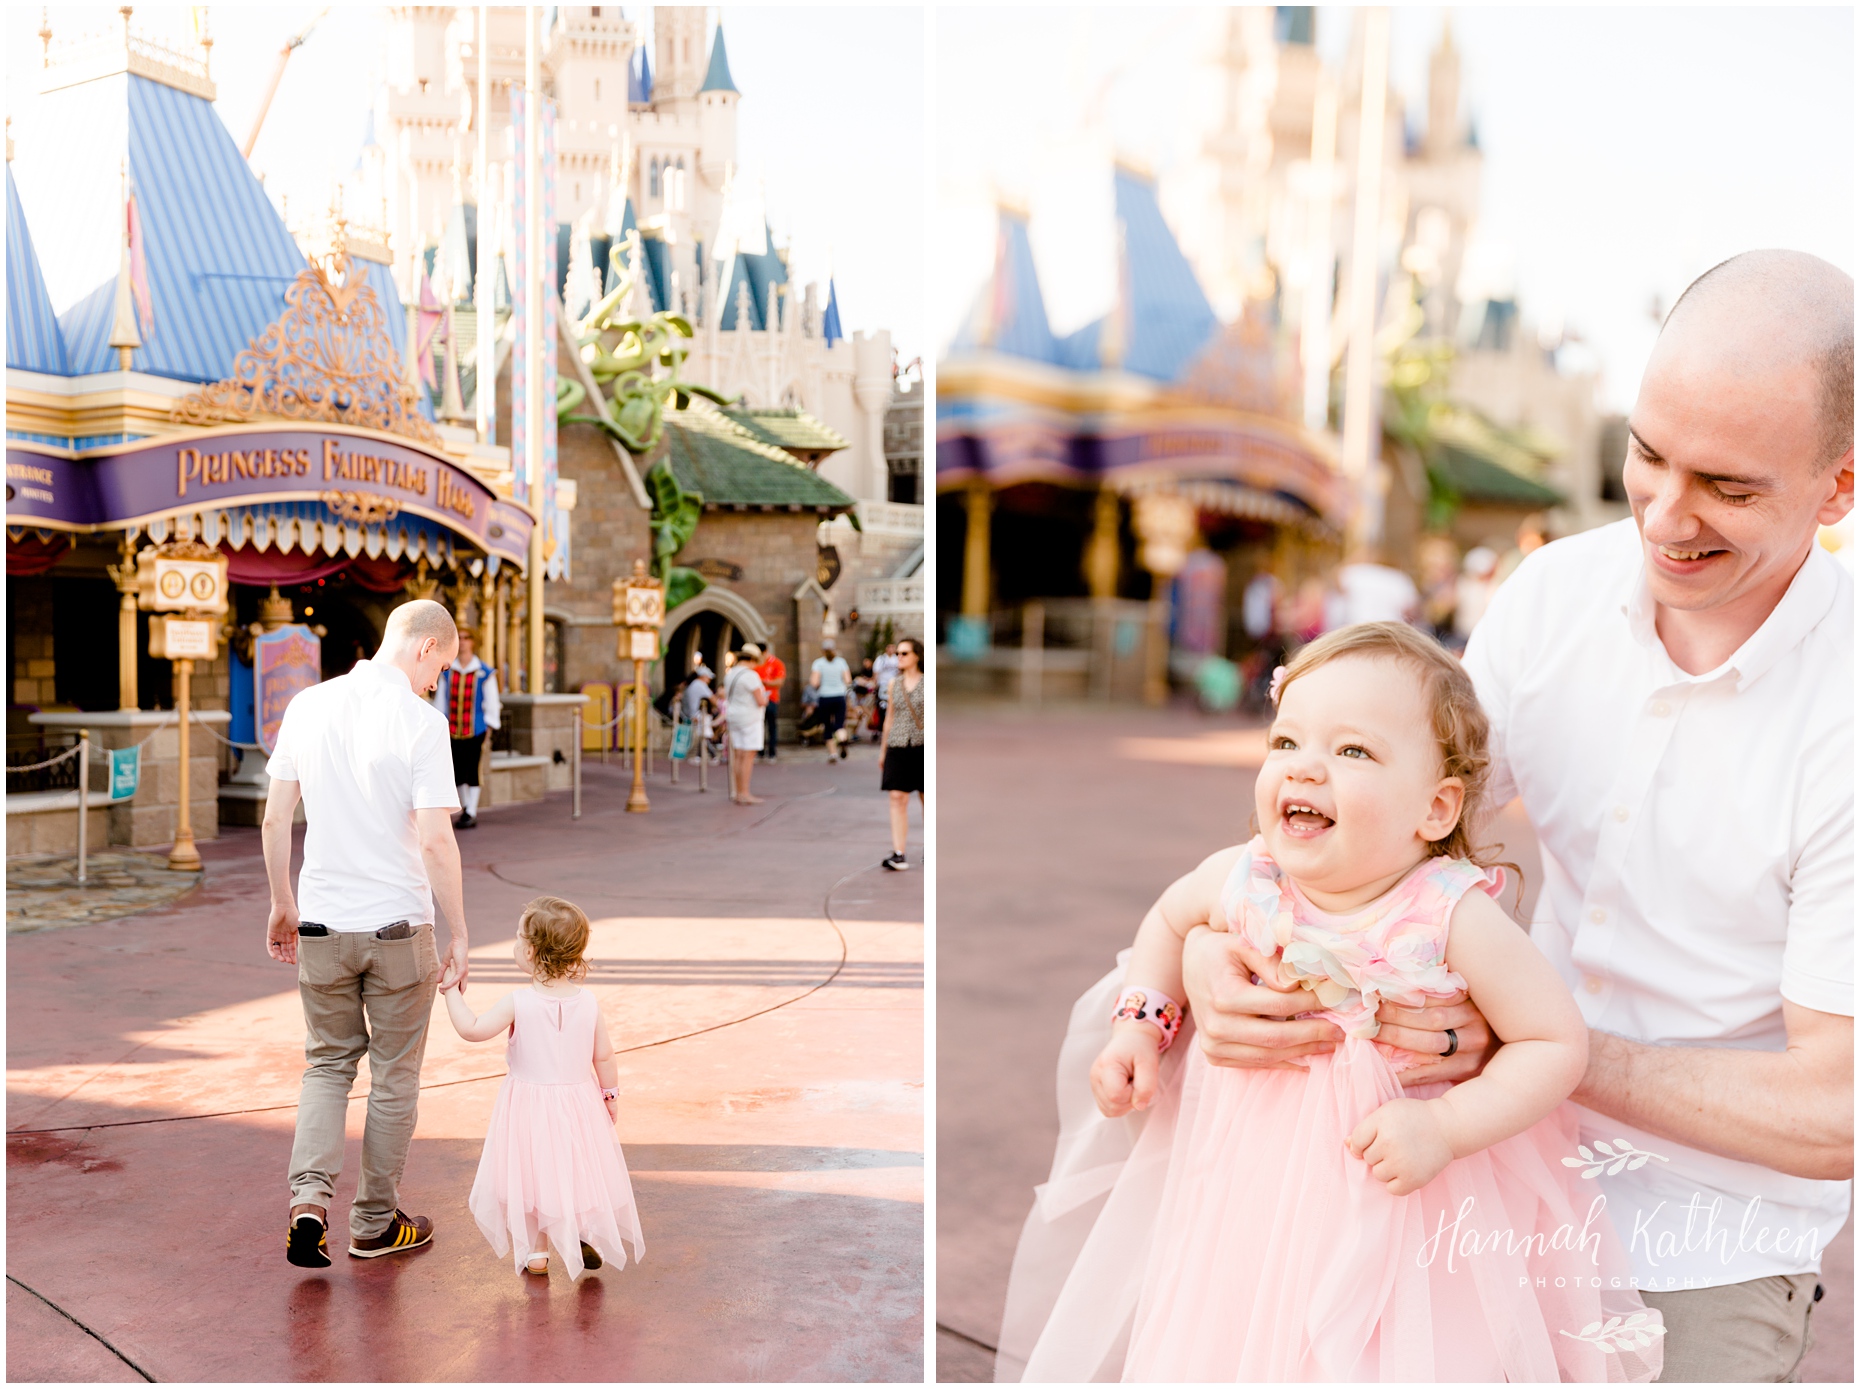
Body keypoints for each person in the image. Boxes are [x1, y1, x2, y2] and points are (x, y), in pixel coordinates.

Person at [1176, 250, 1854, 1382]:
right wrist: (1208, 954)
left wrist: (1540, 1049)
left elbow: (1836, 1110)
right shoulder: (1553, 595)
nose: (1668, 517)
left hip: (1705, 1225)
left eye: (1730, 488)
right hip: (1466, 1143)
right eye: (1645, 456)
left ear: (1838, 488)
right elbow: (1383, 831)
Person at [1000, 623, 1662, 1382]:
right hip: (1247, 1190)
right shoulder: (1247, 876)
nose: (1306, 768)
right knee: (1239, 1338)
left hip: (1406, 1195)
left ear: (1437, 808)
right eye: (1286, 742)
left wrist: (1446, 1125)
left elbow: (1553, 1042)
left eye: (1353, 751)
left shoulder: (1448, 913)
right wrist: (1140, 1027)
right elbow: (1169, 920)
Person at [263, 599, 470, 1268]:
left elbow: (274, 820)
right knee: (394, 1077)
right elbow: (437, 838)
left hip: (321, 923)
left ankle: (308, 1204)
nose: (438, 679)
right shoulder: (420, 720)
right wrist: (461, 929)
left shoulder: (308, 705)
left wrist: (281, 903)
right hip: (397, 930)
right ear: (423, 647)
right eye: (441, 664)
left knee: (325, 1065)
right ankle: (375, 1223)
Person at [440, 895, 645, 1280]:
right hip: (579, 1103)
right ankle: (584, 1235)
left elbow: (472, 1030)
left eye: (518, 938)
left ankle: (537, 1253)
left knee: (530, 1176)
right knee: (575, 1170)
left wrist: (451, 990)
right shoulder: (588, 1002)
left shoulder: (520, 1001)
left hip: (529, 1107)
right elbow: (604, 1056)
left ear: (531, 951)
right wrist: (610, 1096)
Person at [431, 628, 500, 830]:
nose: (463, 642)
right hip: (452, 728)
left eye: (467, 638)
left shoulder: (485, 672)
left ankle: (472, 810)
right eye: (459, 638)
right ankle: (465, 809)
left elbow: (492, 702)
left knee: (473, 770)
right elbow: (440, 701)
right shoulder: (448, 672)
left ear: (474, 641)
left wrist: (489, 725)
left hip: (475, 729)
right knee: (458, 769)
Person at [878, 637, 925, 871]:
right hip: (897, 745)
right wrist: (883, 751)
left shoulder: (928, 682)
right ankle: (899, 852)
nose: (899, 657)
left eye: (904, 653)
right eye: (897, 653)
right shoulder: (893, 684)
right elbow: (889, 719)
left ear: (917, 655)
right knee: (897, 797)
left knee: (927, 799)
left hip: (922, 745)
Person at [722, 643, 769, 805]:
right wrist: (766, 698)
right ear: (752, 659)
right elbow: (760, 700)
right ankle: (745, 793)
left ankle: (737, 792)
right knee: (748, 756)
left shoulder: (730, 674)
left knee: (738, 755)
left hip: (734, 717)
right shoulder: (750, 676)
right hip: (750, 718)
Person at [809, 638, 852, 763]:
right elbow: (848, 680)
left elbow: (814, 682)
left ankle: (832, 754)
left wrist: (820, 685)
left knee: (827, 726)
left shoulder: (818, 663)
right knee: (839, 724)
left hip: (825, 696)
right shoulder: (841, 662)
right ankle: (842, 740)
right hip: (839, 695)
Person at [753, 644, 786, 761]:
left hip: (771, 699)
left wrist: (764, 682)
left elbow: (779, 681)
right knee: (759, 725)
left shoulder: (776, 663)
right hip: (756, 700)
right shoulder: (754, 664)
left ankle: (772, 752)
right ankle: (760, 751)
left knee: (771, 726)